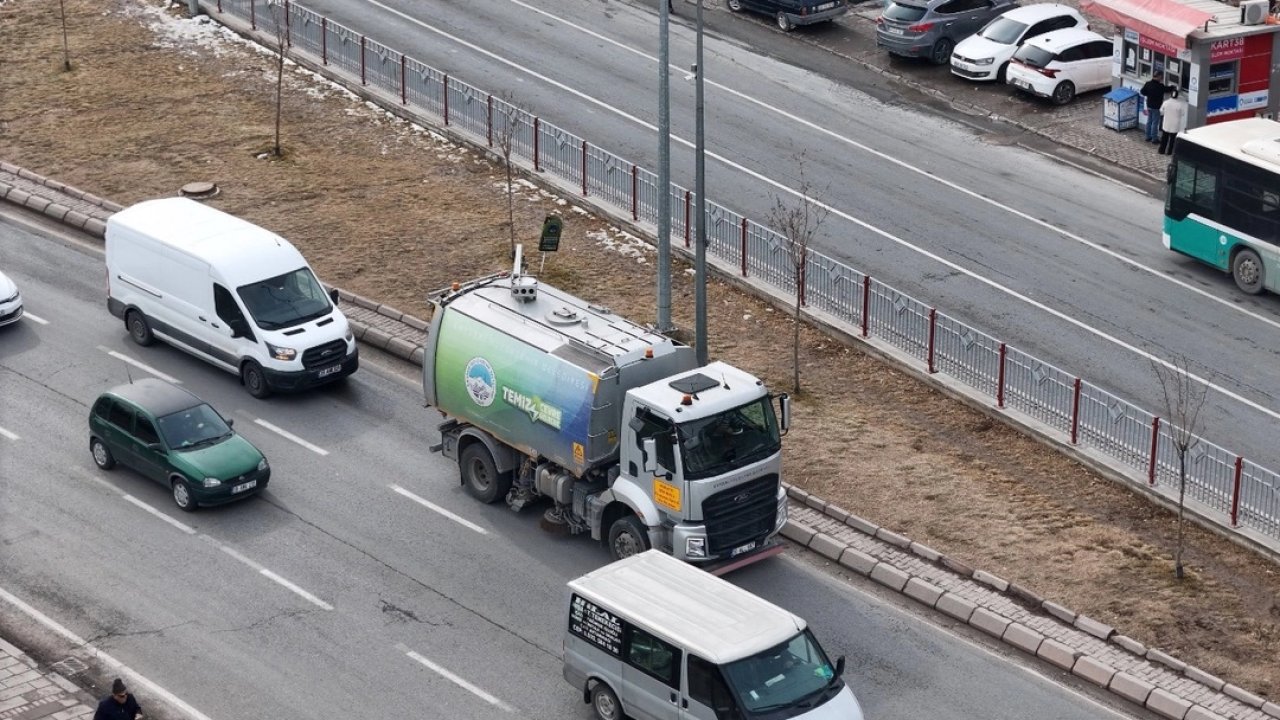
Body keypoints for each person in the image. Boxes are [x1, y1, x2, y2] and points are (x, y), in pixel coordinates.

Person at [1140, 71, 1171, 144]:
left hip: (1149, 105)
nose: (1162, 78)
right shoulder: (1160, 86)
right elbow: (1167, 89)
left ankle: (1147, 136)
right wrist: (1173, 87)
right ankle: (1154, 138)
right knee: (1155, 123)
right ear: (1159, 77)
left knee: (1149, 121)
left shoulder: (1148, 84)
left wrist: (1149, 94)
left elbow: (1142, 91)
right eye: (1161, 77)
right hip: (1156, 107)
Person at [1159, 89, 1187, 155]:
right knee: (1172, 139)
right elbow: (1183, 113)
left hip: (1166, 123)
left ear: (1170, 95)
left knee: (1164, 138)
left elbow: (1161, 111)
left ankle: (1162, 150)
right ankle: (1170, 152)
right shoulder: (1179, 105)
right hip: (1175, 124)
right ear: (1177, 96)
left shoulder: (1166, 102)